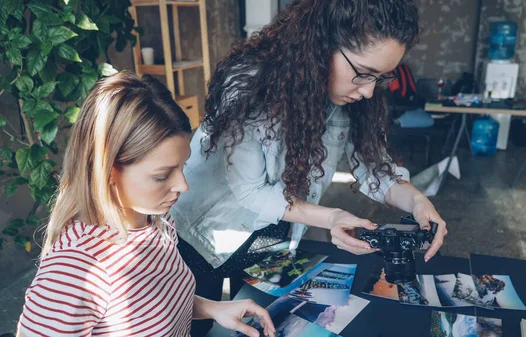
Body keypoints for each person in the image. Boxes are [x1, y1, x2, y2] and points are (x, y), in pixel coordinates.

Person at [172, 0, 448, 335]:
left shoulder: (353, 96)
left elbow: (375, 168)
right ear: (321, 45)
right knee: (194, 326)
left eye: (381, 76)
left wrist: (416, 200)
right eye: (362, 73)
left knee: (266, 323)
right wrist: (331, 217)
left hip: (273, 231)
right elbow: (251, 190)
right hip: (204, 233)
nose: (369, 90)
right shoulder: (249, 81)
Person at [16, 72, 275, 337]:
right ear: (107, 172)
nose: (182, 186)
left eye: (182, 165)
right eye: (161, 176)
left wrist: (214, 308)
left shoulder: (156, 220)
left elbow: (154, 305)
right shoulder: (76, 270)